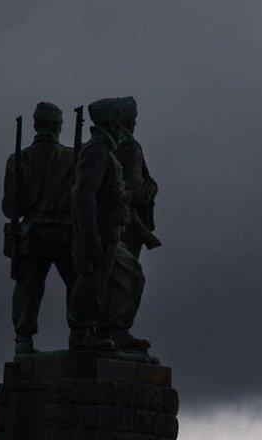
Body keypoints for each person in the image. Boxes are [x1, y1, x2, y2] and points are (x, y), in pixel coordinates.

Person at [1, 101, 79, 355]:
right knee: (77, 283)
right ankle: (80, 333)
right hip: (64, 232)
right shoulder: (72, 157)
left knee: (28, 287)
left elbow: (11, 208)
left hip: (33, 233)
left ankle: (23, 339)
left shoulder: (18, 159)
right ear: (59, 127)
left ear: (35, 125)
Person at [69, 97, 132, 350]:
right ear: (111, 123)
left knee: (112, 281)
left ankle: (97, 331)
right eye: (117, 121)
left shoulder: (106, 149)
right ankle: (81, 336)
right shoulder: (97, 149)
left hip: (109, 230)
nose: (121, 126)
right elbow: (83, 192)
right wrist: (90, 233)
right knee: (90, 282)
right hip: (97, 230)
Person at [102, 96, 158, 350]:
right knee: (128, 278)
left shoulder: (107, 145)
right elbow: (135, 190)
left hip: (113, 222)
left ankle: (107, 331)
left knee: (107, 279)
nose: (135, 122)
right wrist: (153, 188)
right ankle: (117, 330)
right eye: (132, 117)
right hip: (128, 224)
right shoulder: (130, 147)